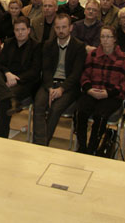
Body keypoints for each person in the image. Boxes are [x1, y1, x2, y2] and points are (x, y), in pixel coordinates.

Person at [75, 26, 125, 154]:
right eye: (102, 37)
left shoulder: (123, 58)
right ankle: (82, 146)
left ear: (114, 39)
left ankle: (93, 148)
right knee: (80, 111)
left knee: (100, 116)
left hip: (111, 95)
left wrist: (108, 93)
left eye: (108, 37)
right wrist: (89, 89)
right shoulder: (93, 54)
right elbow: (85, 75)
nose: (105, 40)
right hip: (92, 92)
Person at [33, 14, 87, 146]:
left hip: (68, 87)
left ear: (71, 28)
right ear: (54, 29)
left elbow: (76, 74)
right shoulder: (48, 45)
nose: (61, 30)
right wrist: (51, 88)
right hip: (50, 84)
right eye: (58, 27)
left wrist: (61, 89)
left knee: (56, 108)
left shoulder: (79, 47)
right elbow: (45, 70)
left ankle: (43, 143)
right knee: (38, 105)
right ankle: (39, 142)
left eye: (64, 27)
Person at [0, 17, 42, 138]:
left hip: (24, 83)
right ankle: (10, 98)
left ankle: (0, 136)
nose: (20, 32)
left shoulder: (36, 46)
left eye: (23, 29)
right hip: (6, 79)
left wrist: (16, 79)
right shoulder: (9, 42)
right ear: (14, 31)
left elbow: (35, 71)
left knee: (4, 100)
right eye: (17, 30)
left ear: (29, 30)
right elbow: (0, 63)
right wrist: (7, 74)